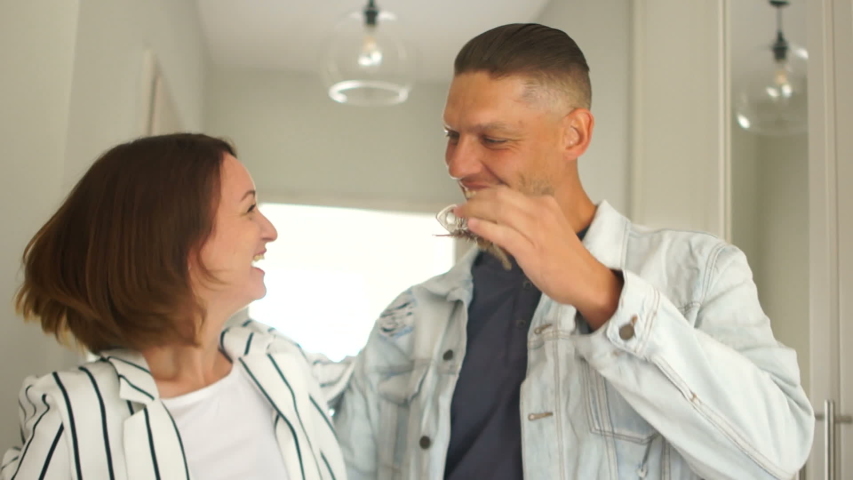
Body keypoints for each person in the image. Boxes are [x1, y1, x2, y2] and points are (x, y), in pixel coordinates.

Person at [333, 23, 815, 480]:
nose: (457, 163)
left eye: (494, 139)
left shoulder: (701, 274)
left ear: (575, 134)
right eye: (451, 135)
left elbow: (775, 458)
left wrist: (603, 295)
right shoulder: (409, 319)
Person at [1, 134, 350, 480]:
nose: (270, 231)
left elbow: (384, 375)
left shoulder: (277, 357)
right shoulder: (75, 414)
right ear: (176, 240)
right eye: (248, 210)